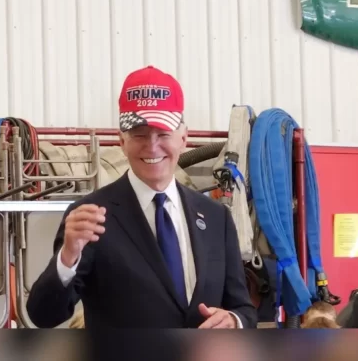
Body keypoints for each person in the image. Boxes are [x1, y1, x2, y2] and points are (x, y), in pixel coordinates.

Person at [26, 65, 257, 329]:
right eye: (139, 135)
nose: (152, 145)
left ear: (184, 138)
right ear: (121, 141)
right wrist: (67, 257)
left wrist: (234, 321)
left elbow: (244, 310)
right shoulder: (90, 216)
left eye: (163, 134)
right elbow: (43, 316)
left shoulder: (217, 218)